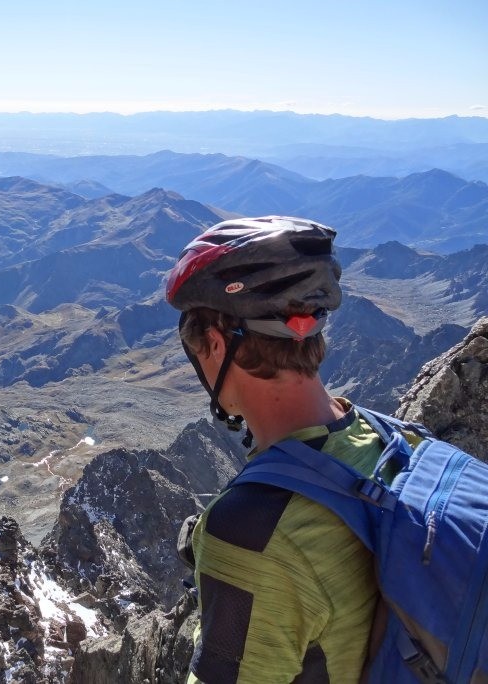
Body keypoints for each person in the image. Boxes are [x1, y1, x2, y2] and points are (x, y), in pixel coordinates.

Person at [165, 216, 410, 683]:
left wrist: (234, 554)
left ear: (216, 345)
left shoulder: (251, 534)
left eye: (192, 343)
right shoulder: (397, 441)